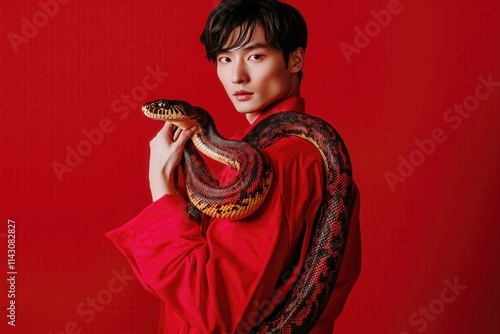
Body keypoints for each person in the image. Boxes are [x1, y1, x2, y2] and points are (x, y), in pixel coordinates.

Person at [106, 0, 362, 333]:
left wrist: (160, 188)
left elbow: (213, 306)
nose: (237, 76)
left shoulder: (279, 162)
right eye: (225, 59)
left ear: (295, 59)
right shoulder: (255, 151)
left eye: (256, 56)